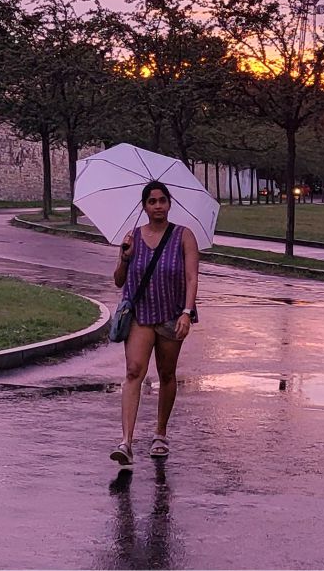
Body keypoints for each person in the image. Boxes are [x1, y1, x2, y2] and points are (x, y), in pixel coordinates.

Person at [109, 180, 200, 468]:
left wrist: (186, 312)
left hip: (172, 314)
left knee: (166, 374)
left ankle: (160, 433)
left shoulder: (184, 236)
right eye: (152, 201)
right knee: (134, 371)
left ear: (169, 204)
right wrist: (124, 257)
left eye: (162, 200)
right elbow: (118, 281)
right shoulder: (131, 237)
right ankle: (126, 442)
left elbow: (191, 277)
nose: (158, 206)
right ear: (144, 206)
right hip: (139, 315)